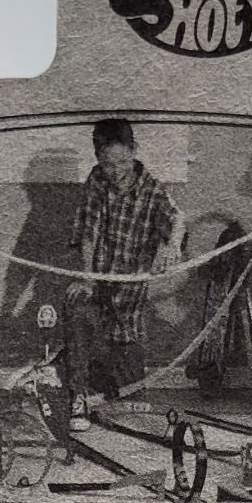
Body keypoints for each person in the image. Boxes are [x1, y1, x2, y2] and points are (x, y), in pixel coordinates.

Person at [64, 119, 182, 431]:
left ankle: (107, 386)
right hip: (98, 287)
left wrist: (170, 246)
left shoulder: (153, 189)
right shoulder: (96, 180)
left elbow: (177, 220)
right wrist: (87, 279)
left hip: (129, 300)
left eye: (122, 162)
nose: (116, 172)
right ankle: (78, 397)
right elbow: (89, 233)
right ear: (97, 159)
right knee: (77, 310)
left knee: (131, 395)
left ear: (134, 151)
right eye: (107, 164)